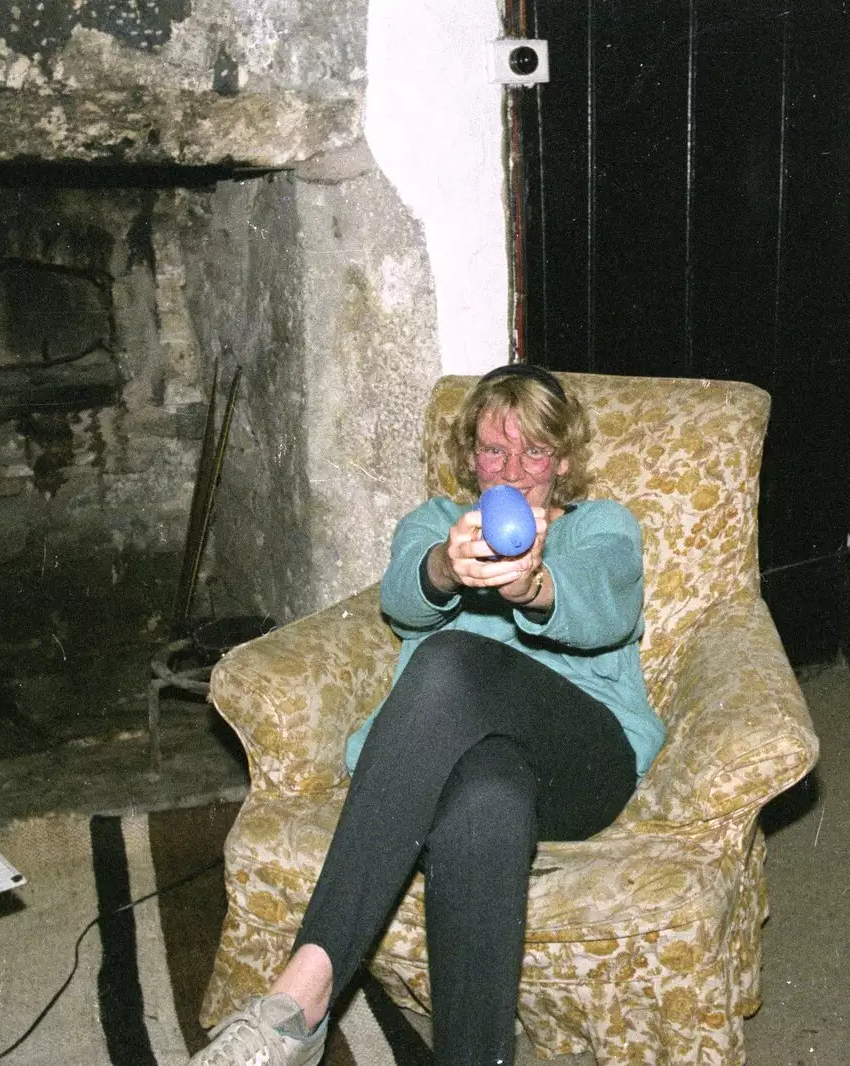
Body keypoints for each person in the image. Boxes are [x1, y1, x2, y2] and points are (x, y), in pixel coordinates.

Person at [189, 363, 665, 1066]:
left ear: (561, 460)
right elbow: (403, 600)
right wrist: (447, 563)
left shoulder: (600, 525)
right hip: (468, 766)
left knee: (450, 660)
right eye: (493, 450)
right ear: (470, 458)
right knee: (488, 797)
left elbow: (608, 602)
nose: (512, 470)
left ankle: (302, 995)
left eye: (534, 450)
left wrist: (535, 584)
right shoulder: (436, 525)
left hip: (583, 756)